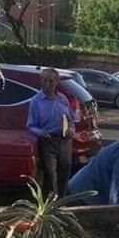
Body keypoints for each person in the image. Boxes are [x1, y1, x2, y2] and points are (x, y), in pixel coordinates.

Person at [26, 68, 75, 198]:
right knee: (51, 173)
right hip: (48, 141)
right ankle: (52, 203)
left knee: (64, 171)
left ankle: (61, 201)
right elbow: (30, 126)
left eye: (51, 81)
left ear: (57, 82)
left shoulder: (63, 99)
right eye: (44, 80)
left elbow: (71, 120)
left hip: (64, 140)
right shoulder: (36, 101)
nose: (47, 84)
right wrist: (40, 132)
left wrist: (71, 130)